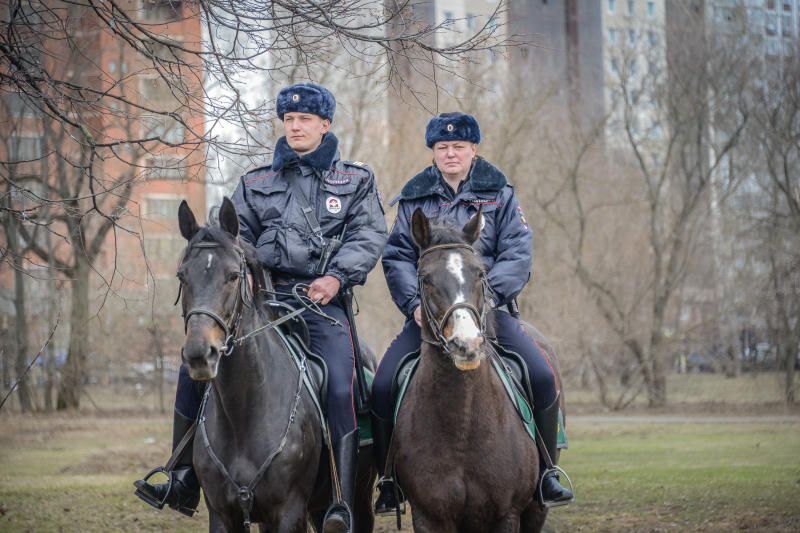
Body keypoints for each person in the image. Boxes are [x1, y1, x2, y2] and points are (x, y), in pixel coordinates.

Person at [135, 82, 388, 533]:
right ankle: (181, 478)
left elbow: (369, 236)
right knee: (192, 368)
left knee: (339, 384)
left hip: (322, 304)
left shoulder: (355, 180)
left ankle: (342, 501)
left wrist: (335, 277)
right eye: (289, 120)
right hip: (264, 302)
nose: (295, 126)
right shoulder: (255, 183)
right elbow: (236, 239)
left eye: (305, 119)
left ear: (324, 124)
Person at [370, 112, 574, 513]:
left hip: (490, 312)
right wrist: (413, 304)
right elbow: (395, 257)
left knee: (540, 374)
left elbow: (517, 252)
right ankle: (390, 480)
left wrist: (487, 299)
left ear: (473, 150)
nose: (450, 153)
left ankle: (547, 473)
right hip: (428, 318)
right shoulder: (413, 197)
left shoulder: (500, 193)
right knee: (381, 386)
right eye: (442, 147)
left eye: (458, 147)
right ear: (433, 151)